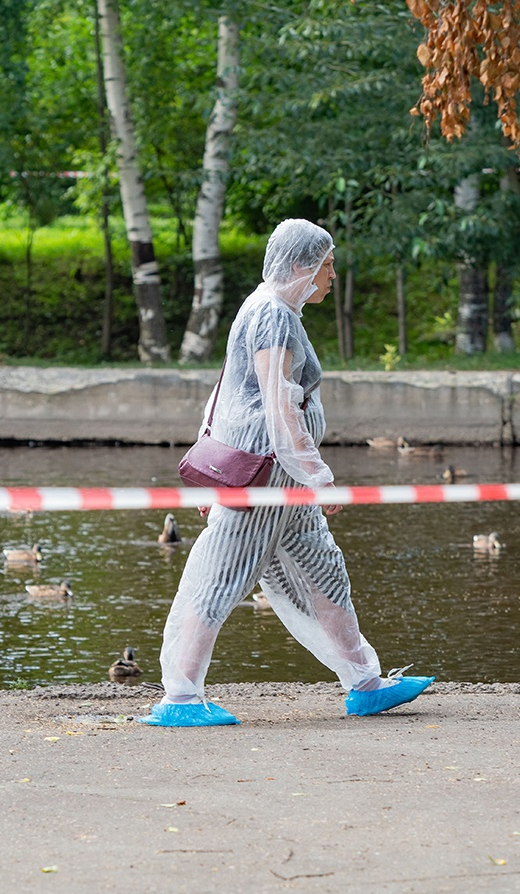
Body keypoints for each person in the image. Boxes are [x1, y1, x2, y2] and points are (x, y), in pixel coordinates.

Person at [140, 218, 434, 727]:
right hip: (269, 474)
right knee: (220, 578)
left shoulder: (271, 311)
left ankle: (364, 682)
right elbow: (278, 405)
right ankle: (180, 698)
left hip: (281, 476)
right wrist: (317, 476)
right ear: (300, 265)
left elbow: (228, 394)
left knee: (323, 571)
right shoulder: (272, 316)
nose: (332, 275)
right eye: (327, 265)